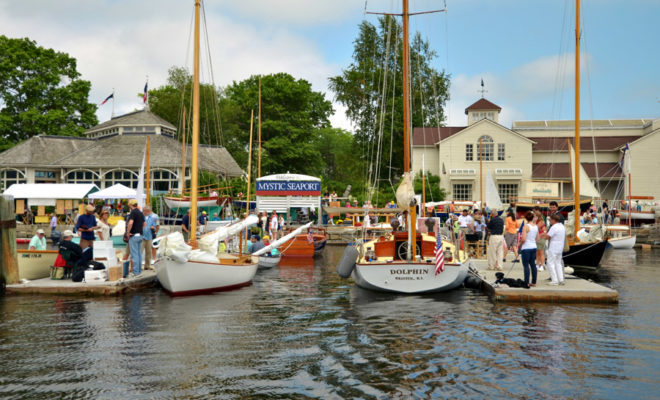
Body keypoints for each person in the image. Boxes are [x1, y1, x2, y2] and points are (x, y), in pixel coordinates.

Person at [542, 213, 566, 286]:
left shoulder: (554, 227)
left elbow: (547, 237)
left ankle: (554, 280)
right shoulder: (562, 226)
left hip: (553, 247)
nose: (550, 222)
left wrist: (544, 233)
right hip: (560, 247)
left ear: (553, 220)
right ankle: (561, 279)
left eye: (550, 220)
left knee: (550, 263)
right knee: (558, 263)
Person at [125, 199, 145, 276]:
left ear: (130, 205)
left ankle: (136, 272)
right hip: (140, 235)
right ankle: (139, 271)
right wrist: (140, 230)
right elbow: (144, 224)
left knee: (134, 254)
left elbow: (130, 222)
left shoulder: (133, 212)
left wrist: (128, 232)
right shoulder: (140, 212)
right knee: (139, 254)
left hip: (133, 235)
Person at [520, 211, 538, 287]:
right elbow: (537, 238)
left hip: (526, 247)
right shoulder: (536, 226)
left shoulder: (525, 226)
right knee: (533, 264)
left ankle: (526, 282)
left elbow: (523, 239)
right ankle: (534, 282)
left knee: (526, 265)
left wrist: (519, 245)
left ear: (526, 218)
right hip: (534, 246)